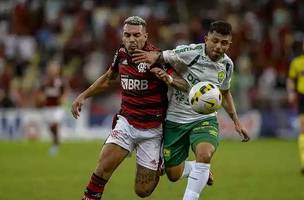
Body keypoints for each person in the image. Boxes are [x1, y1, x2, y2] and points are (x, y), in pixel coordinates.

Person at [71, 16, 188, 200]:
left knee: (142, 191)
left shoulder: (157, 57)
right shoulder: (121, 54)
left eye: (136, 35)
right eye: (127, 35)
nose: (131, 40)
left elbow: (185, 83)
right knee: (102, 169)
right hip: (127, 123)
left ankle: (159, 164)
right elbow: (109, 78)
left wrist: (168, 78)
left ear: (146, 36)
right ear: (122, 36)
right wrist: (83, 95)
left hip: (153, 130)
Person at [132, 20, 250, 200]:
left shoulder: (227, 65)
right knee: (173, 174)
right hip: (175, 119)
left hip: (204, 119)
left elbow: (225, 93)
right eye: (215, 41)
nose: (218, 46)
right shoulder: (189, 52)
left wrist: (236, 122)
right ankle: (197, 169)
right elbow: (161, 57)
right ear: (206, 39)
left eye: (224, 43)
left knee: (205, 153)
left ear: (229, 44)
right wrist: (151, 57)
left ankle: (197, 178)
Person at [37, 60, 68, 155]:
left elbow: (65, 91)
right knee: (51, 126)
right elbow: (41, 92)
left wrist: (63, 98)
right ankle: (56, 140)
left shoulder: (61, 81)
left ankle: (55, 144)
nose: (53, 70)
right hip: (47, 108)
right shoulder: (45, 81)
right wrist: (41, 97)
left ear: (58, 70)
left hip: (57, 108)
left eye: (55, 69)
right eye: (51, 69)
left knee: (55, 124)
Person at [287, 39, 304, 174]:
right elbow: (291, 79)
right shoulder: (296, 63)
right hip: (302, 97)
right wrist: (291, 93)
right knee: (303, 130)